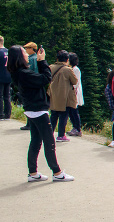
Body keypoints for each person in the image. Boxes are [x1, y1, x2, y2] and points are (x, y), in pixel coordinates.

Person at [7, 45, 74, 182]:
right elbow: (45, 79)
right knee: (49, 142)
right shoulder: (24, 73)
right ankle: (57, 172)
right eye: (24, 52)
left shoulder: (18, 72)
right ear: (20, 56)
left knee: (36, 141)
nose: (26, 54)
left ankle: (33, 172)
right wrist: (41, 61)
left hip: (31, 109)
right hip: (38, 110)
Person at [49, 50, 78, 142]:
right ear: (67, 59)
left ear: (57, 58)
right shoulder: (68, 69)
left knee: (53, 116)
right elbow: (75, 81)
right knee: (63, 116)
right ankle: (61, 135)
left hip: (54, 95)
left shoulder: (51, 67)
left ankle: (49, 134)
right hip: (65, 96)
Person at [67, 52, 83, 136]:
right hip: (70, 92)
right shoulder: (70, 69)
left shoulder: (76, 69)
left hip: (74, 92)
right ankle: (74, 127)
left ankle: (77, 128)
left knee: (74, 111)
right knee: (71, 111)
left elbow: (76, 82)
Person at [0, 35, 11, 120]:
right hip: (8, 75)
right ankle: (8, 114)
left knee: (0, 96)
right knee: (7, 96)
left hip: (0, 76)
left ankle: (1, 114)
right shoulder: (8, 51)